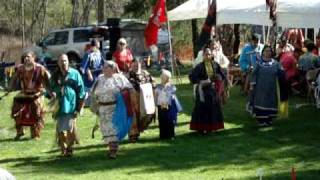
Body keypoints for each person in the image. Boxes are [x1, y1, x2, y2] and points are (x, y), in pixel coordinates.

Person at [91, 61, 134, 159]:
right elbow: (93, 92)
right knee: (106, 130)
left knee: (113, 129)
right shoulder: (99, 79)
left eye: (106, 67)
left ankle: (113, 151)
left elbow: (130, 89)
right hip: (102, 109)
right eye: (104, 67)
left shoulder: (119, 78)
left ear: (113, 69)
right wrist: (95, 106)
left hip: (115, 108)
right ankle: (112, 148)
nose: (104, 69)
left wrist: (124, 96)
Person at [9, 51, 51, 140]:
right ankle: (20, 131)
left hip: (37, 92)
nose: (26, 59)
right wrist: (10, 87)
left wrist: (50, 91)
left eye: (28, 57)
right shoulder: (20, 68)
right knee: (16, 106)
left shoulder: (40, 68)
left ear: (33, 58)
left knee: (36, 108)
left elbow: (48, 80)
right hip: (25, 92)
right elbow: (14, 78)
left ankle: (35, 132)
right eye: (24, 57)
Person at [50, 54, 85, 157]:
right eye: (61, 61)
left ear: (68, 62)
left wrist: (79, 106)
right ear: (58, 63)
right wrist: (53, 93)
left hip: (71, 104)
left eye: (65, 61)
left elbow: (81, 90)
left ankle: (70, 148)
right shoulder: (55, 75)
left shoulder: (75, 73)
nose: (63, 63)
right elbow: (50, 89)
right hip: (59, 105)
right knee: (60, 128)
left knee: (70, 127)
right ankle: (63, 148)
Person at [189, 48, 225, 134]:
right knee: (202, 108)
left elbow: (222, 75)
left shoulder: (215, 65)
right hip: (203, 91)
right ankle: (202, 128)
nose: (208, 56)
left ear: (211, 55)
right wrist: (201, 82)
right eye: (206, 54)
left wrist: (219, 78)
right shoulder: (199, 66)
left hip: (213, 90)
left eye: (209, 54)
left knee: (214, 107)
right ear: (203, 55)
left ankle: (213, 127)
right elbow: (192, 77)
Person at [250, 45, 287, 126]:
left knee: (271, 102)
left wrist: (282, 72)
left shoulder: (275, 63)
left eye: (269, 51)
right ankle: (261, 120)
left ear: (272, 52)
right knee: (261, 102)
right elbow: (253, 74)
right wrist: (252, 84)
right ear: (262, 52)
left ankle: (269, 119)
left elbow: (281, 72)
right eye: (266, 51)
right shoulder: (258, 63)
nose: (268, 52)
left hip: (272, 87)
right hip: (260, 88)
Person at [127, 58, 155, 142]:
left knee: (146, 115)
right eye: (134, 65)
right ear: (131, 65)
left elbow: (153, 82)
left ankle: (140, 130)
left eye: (137, 65)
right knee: (133, 117)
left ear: (140, 65)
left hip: (145, 99)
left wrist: (152, 88)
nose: (136, 67)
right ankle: (133, 135)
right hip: (133, 99)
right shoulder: (128, 75)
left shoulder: (145, 73)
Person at [155, 69, 179, 140]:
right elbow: (156, 95)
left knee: (170, 121)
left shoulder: (172, 87)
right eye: (161, 76)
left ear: (168, 78)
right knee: (162, 120)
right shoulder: (158, 86)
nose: (162, 77)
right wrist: (155, 104)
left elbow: (172, 95)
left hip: (169, 106)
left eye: (164, 76)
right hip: (160, 106)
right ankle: (162, 135)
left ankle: (171, 134)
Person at [79, 39, 104, 106]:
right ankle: (83, 104)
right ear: (93, 46)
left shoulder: (99, 53)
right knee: (87, 91)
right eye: (97, 47)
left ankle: (95, 103)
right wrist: (88, 72)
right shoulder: (88, 54)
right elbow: (83, 67)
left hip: (97, 76)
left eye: (99, 47)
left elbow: (103, 63)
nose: (98, 48)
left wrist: (103, 70)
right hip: (89, 77)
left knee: (96, 90)